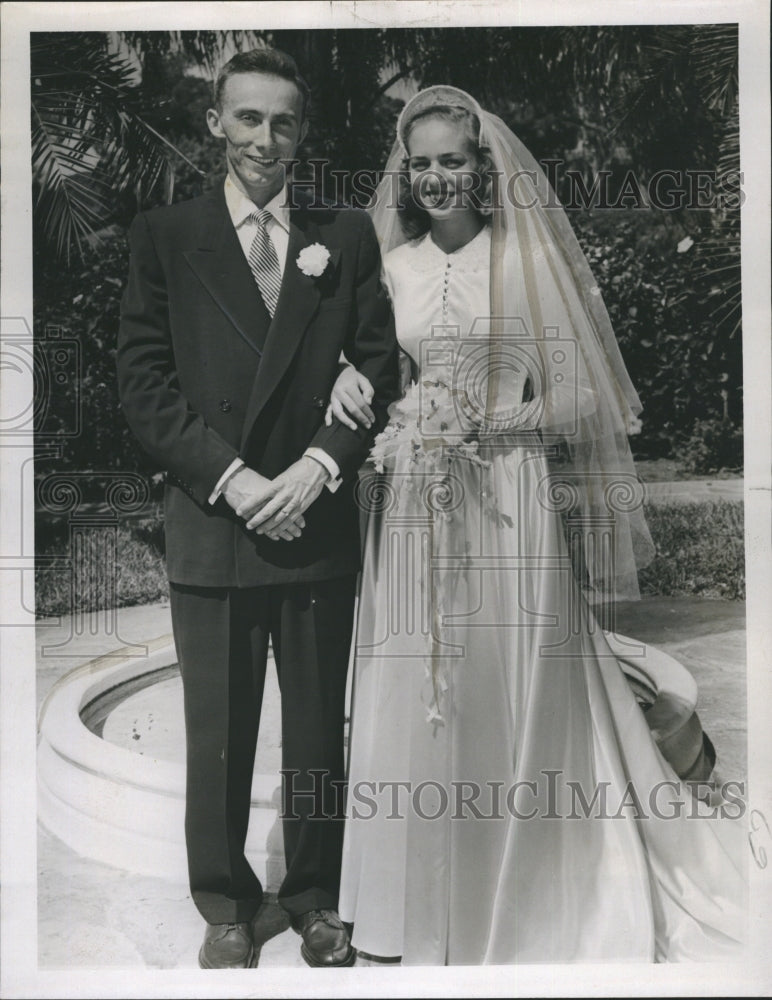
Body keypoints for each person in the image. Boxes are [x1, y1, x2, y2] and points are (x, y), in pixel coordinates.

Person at [333, 85, 746, 964]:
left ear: (483, 168)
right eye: (423, 164)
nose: (438, 177)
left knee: (509, 679)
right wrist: (387, 409)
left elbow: (580, 397)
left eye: (454, 160)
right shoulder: (390, 265)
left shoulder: (522, 262)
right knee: (415, 686)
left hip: (508, 497)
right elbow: (365, 371)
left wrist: (491, 424)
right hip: (414, 497)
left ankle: (524, 896)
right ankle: (412, 909)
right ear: (406, 174)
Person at [116, 47, 399, 969]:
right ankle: (228, 902)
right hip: (215, 523)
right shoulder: (166, 234)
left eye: (282, 122)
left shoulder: (343, 235)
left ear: (301, 131)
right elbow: (143, 384)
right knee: (220, 732)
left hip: (312, 519)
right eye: (247, 118)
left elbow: (378, 366)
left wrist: (317, 468)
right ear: (215, 123)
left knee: (317, 732)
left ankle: (316, 898)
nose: (264, 139)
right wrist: (235, 481)